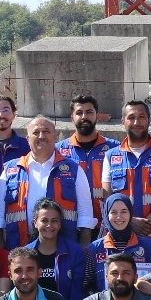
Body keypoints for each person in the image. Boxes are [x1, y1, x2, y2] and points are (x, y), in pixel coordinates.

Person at [0, 116, 96, 249]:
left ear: (55, 136)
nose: (41, 136)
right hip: (20, 250)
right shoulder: (10, 170)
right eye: (36, 132)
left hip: (63, 251)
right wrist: (0, 248)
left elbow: (86, 216)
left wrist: (82, 249)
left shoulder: (74, 170)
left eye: (46, 131)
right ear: (28, 139)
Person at [102, 99, 151, 261]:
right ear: (123, 121)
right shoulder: (110, 156)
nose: (136, 122)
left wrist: (146, 223)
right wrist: (130, 222)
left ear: (149, 120)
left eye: (141, 117)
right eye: (131, 117)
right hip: (124, 237)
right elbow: (108, 197)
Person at [55, 94, 117, 227]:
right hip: (70, 225)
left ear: (97, 115)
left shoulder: (115, 149)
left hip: (107, 224)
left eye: (89, 112)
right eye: (79, 113)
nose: (84, 116)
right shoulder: (58, 151)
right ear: (72, 118)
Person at [17, 200, 87, 300]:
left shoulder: (75, 252)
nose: (49, 225)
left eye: (54, 221)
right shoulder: (25, 254)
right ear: (35, 223)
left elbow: (78, 293)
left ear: (60, 224)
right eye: (44, 220)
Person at [86, 194, 151, 292]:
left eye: (124, 211)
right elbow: (87, 286)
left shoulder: (149, 247)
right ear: (107, 215)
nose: (119, 217)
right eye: (113, 212)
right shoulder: (94, 249)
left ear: (130, 214)